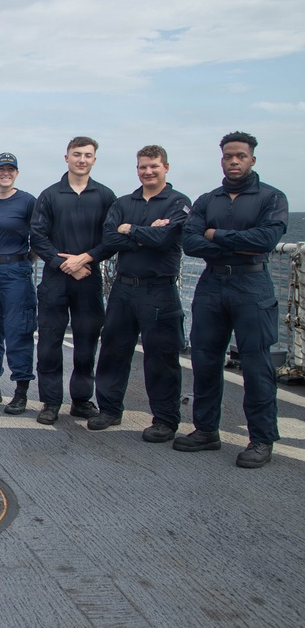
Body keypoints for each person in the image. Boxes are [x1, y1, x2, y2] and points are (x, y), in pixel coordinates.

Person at [176, 131, 288, 468]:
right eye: (228, 156)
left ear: (252, 159)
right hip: (212, 284)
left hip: (252, 284)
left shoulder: (271, 198)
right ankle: (206, 430)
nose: (234, 161)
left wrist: (216, 234)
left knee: (257, 364)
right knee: (206, 359)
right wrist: (233, 241)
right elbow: (190, 242)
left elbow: (265, 240)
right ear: (221, 159)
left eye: (240, 156)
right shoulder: (208, 200)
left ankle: (261, 439)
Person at [88, 145, 191, 441]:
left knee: (161, 356)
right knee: (113, 350)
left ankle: (165, 419)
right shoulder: (123, 201)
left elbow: (166, 237)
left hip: (158, 289)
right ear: (137, 169)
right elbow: (108, 237)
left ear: (166, 168)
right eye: (143, 167)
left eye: (154, 166)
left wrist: (130, 230)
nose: (148, 171)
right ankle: (108, 409)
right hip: (123, 288)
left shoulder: (178, 202)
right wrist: (146, 233)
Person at [30, 136, 116, 425]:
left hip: (89, 279)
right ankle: (51, 402)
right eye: (76, 154)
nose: (82, 159)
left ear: (94, 160)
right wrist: (65, 263)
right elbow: (38, 237)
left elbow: (111, 239)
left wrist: (86, 258)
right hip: (56, 279)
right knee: (49, 342)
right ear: (66, 158)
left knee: (86, 342)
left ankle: (81, 399)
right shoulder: (50, 195)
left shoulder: (105, 196)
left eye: (87, 155)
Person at [0, 153, 37, 415]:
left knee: (18, 330)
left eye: (11, 169)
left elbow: (41, 235)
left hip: (15, 269)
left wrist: (23, 262)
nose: (6, 173)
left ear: (16, 173)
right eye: (1, 169)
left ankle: (21, 390)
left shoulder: (27, 202)